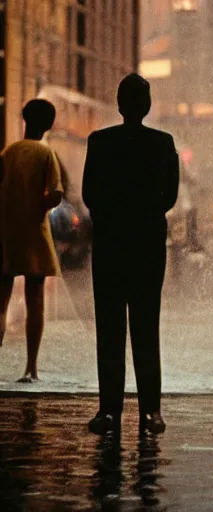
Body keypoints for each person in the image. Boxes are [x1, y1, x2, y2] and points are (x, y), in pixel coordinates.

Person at [83, 74, 179, 435]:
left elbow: (89, 192)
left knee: (109, 328)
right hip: (147, 244)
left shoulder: (100, 142)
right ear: (148, 105)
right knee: (145, 326)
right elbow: (169, 196)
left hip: (109, 243)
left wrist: (113, 214)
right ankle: (151, 411)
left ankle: (109, 410)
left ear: (120, 104)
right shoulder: (162, 143)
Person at [0, 99, 63, 382]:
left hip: (6, 233)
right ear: (48, 124)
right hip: (35, 234)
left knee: (0, 301)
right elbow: (56, 194)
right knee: (35, 301)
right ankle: (31, 368)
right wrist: (41, 204)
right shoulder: (46, 154)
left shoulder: (9, 152)